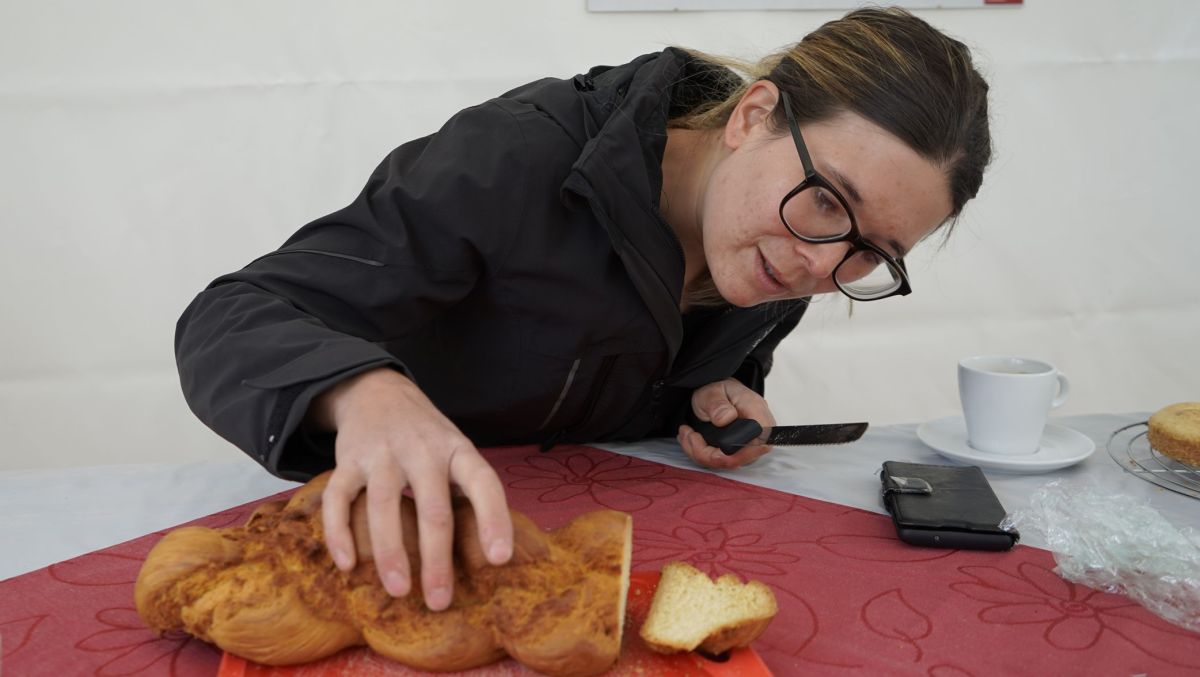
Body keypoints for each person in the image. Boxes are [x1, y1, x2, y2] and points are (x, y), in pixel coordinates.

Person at [175, 7, 991, 614]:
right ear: (752, 117)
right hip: (409, 560)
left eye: (872, 252)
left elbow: (630, 368)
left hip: (586, 577)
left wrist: (717, 392)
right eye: (827, 201)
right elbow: (234, 313)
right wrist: (364, 392)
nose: (822, 265)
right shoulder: (515, 157)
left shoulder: (782, 244)